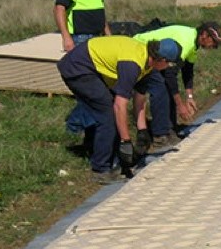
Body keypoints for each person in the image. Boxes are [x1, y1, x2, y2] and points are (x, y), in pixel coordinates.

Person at [57, 35, 182, 184]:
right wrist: (126, 141)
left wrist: (142, 130)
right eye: (169, 64)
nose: (168, 68)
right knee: (107, 114)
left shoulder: (148, 64)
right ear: (161, 59)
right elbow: (120, 105)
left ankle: (95, 150)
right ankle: (101, 170)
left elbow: (140, 98)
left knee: (104, 110)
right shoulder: (133, 64)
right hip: (77, 67)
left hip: (90, 67)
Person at [133, 22, 221, 149]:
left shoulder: (193, 43)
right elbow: (170, 76)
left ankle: (169, 129)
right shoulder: (186, 42)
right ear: (204, 35)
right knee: (160, 89)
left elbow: (187, 71)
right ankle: (160, 135)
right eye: (213, 42)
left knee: (167, 88)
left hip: (156, 55)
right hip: (140, 49)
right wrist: (180, 106)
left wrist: (189, 96)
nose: (214, 46)